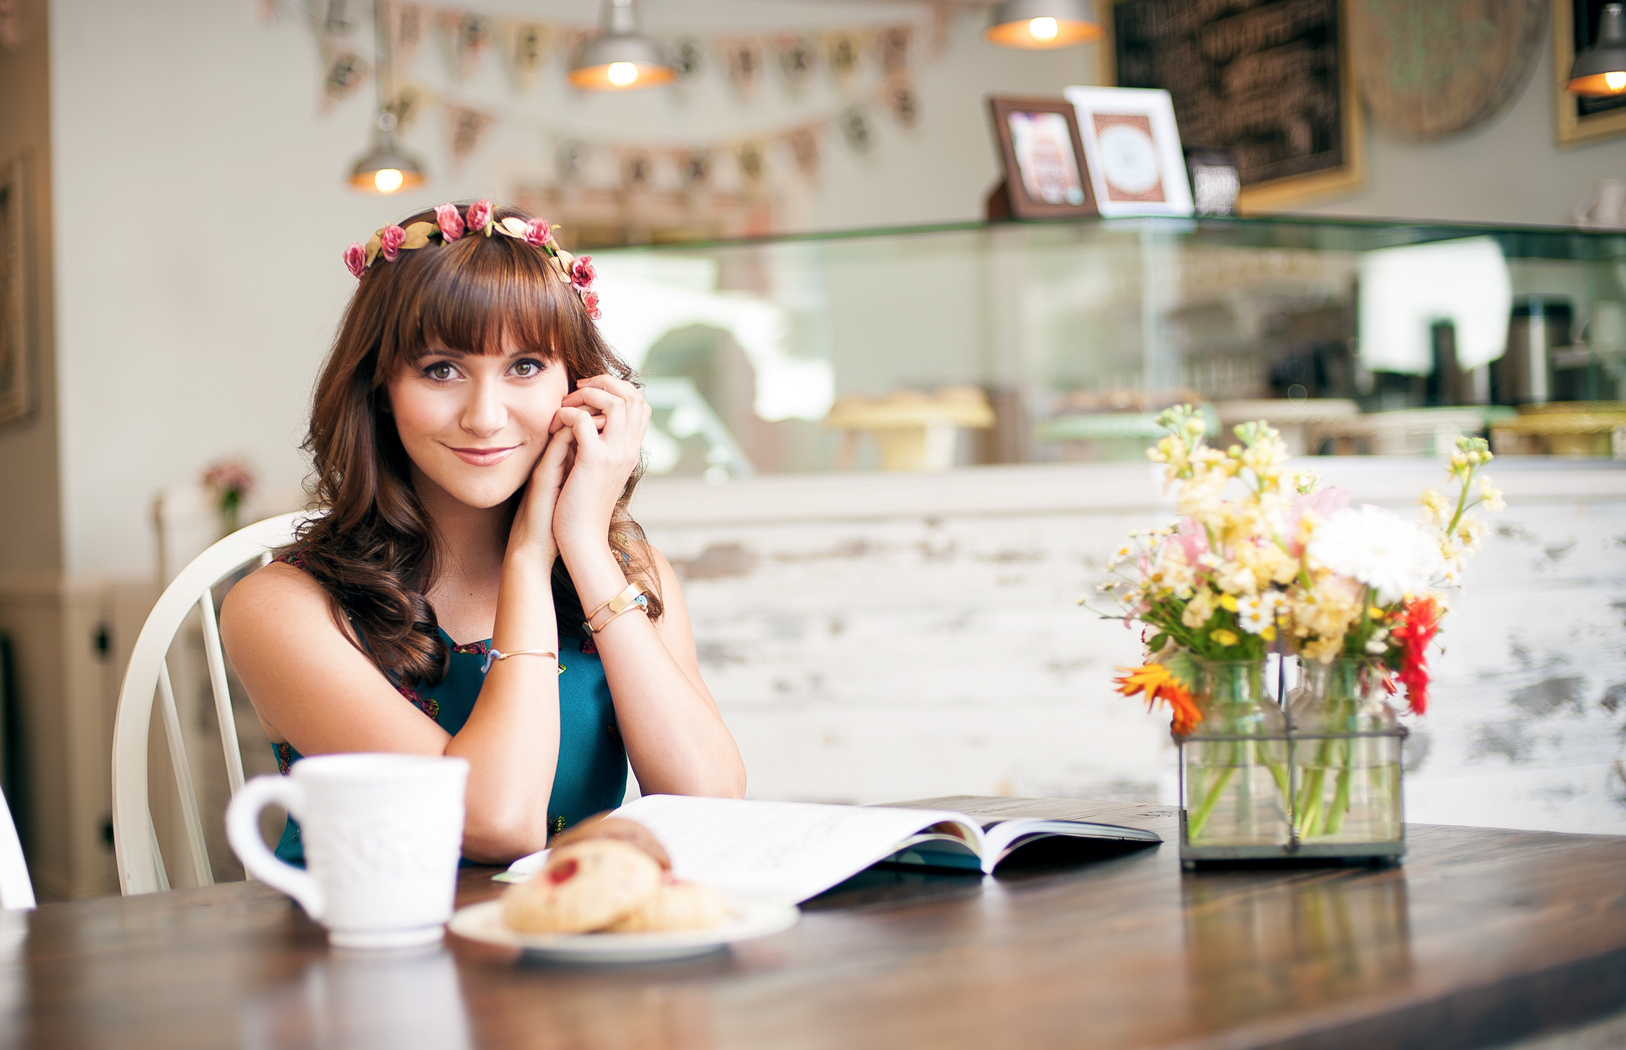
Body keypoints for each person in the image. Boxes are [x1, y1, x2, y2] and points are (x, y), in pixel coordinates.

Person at [221, 200, 746, 865]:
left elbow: (710, 803)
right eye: (441, 369)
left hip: (559, 945)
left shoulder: (621, 571)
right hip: (366, 953)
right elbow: (495, 824)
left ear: (577, 384)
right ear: (380, 388)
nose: (486, 417)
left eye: (524, 366)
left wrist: (581, 546)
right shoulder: (282, 607)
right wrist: (528, 558)